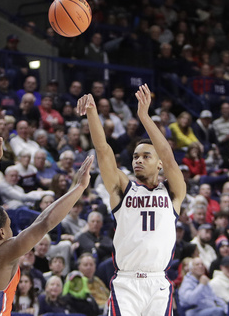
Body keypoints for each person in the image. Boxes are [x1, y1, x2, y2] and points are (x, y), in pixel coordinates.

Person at [0, 127, 93, 316]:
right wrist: (79, 187)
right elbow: (44, 222)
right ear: (1, 233)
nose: (12, 227)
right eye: (8, 223)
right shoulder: (1, 258)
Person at [77, 84, 185, 315]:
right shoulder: (123, 189)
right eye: (135, 156)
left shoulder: (172, 192)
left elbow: (168, 156)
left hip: (158, 283)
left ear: (158, 164)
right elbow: (103, 150)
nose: (138, 160)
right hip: (126, 283)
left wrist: (144, 117)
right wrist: (93, 113)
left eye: (146, 156)